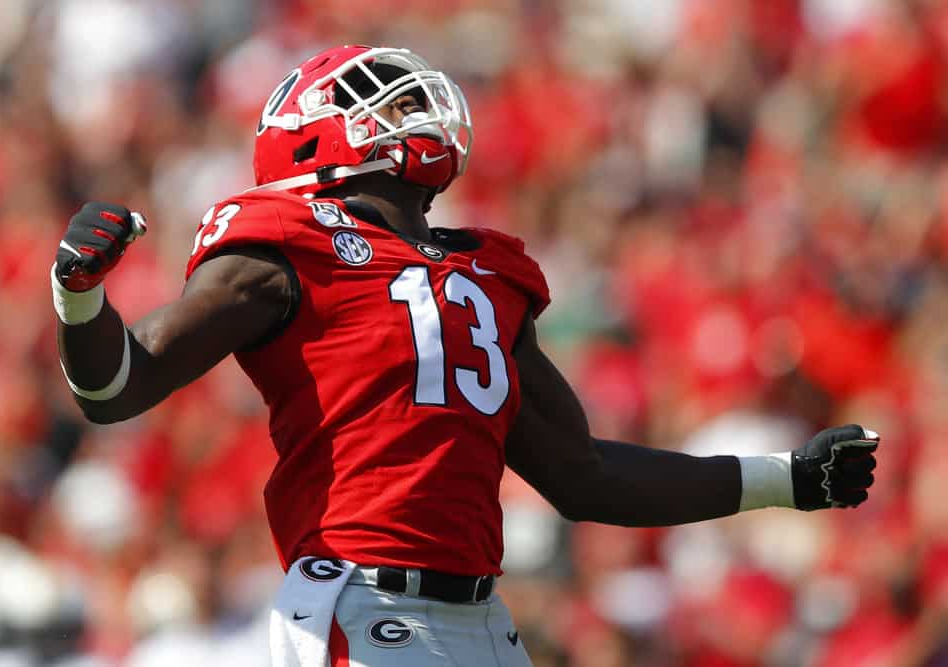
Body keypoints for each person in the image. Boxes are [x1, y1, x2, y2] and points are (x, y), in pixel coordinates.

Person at [51, 45, 879, 667]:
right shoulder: (283, 243)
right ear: (309, 142)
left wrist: (788, 479)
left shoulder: (488, 269)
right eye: (371, 96)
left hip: (482, 616)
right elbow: (118, 385)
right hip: (358, 599)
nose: (408, 104)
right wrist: (79, 296)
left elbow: (584, 474)